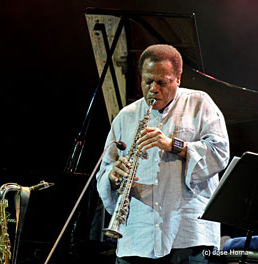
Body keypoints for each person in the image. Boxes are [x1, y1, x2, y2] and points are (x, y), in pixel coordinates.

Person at [96, 44, 230, 263]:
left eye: (162, 82)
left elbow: (220, 153)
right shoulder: (125, 117)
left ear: (178, 78)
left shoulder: (199, 103)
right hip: (136, 235)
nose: (153, 89)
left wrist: (173, 145)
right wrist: (113, 174)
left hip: (187, 234)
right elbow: (103, 171)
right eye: (147, 81)